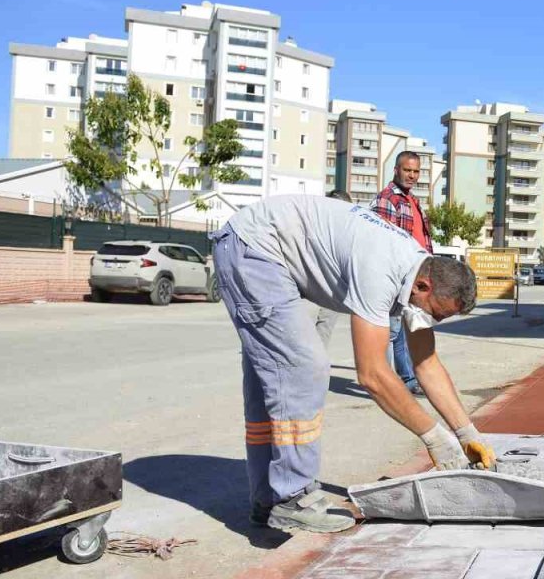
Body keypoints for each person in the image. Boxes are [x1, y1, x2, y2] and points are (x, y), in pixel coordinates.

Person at [211, 194, 495, 534]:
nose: (432, 320)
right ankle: (292, 498)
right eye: (435, 312)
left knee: (272, 380)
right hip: (253, 249)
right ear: (423, 286)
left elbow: (426, 363)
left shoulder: (418, 272)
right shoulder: (381, 268)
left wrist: (466, 434)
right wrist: (435, 438)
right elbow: (372, 374)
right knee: (304, 367)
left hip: (264, 250)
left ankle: (270, 497)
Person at [370, 152, 434, 396]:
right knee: (390, 331)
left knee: (405, 331)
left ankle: (407, 380)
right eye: (407, 170)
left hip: (413, 276)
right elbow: (383, 241)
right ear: (396, 170)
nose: (412, 175)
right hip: (395, 276)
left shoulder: (412, 201)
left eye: (416, 171)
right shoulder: (388, 199)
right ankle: (384, 383)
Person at [314, 189, 353, 348]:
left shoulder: (353, 225)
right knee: (325, 321)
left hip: (354, 280)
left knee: (369, 324)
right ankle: (314, 361)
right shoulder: (322, 225)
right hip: (333, 281)